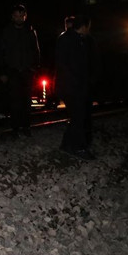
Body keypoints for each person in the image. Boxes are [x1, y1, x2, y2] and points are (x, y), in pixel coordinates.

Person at [0, 4, 41, 136]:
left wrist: (34, 67)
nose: (19, 18)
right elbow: (0, 53)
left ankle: (26, 126)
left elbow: (36, 51)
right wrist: (2, 72)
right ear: (12, 17)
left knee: (26, 100)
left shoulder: (30, 31)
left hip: (27, 71)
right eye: (17, 16)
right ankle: (15, 128)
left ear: (25, 16)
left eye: (21, 16)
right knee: (14, 101)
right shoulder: (6, 32)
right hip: (12, 71)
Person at [55, 13, 94, 159]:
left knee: (77, 117)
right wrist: (77, 82)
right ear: (83, 26)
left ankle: (67, 145)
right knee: (78, 117)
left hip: (71, 85)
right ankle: (79, 148)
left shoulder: (70, 38)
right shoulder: (73, 40)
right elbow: (67, 65)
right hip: (72, 86)